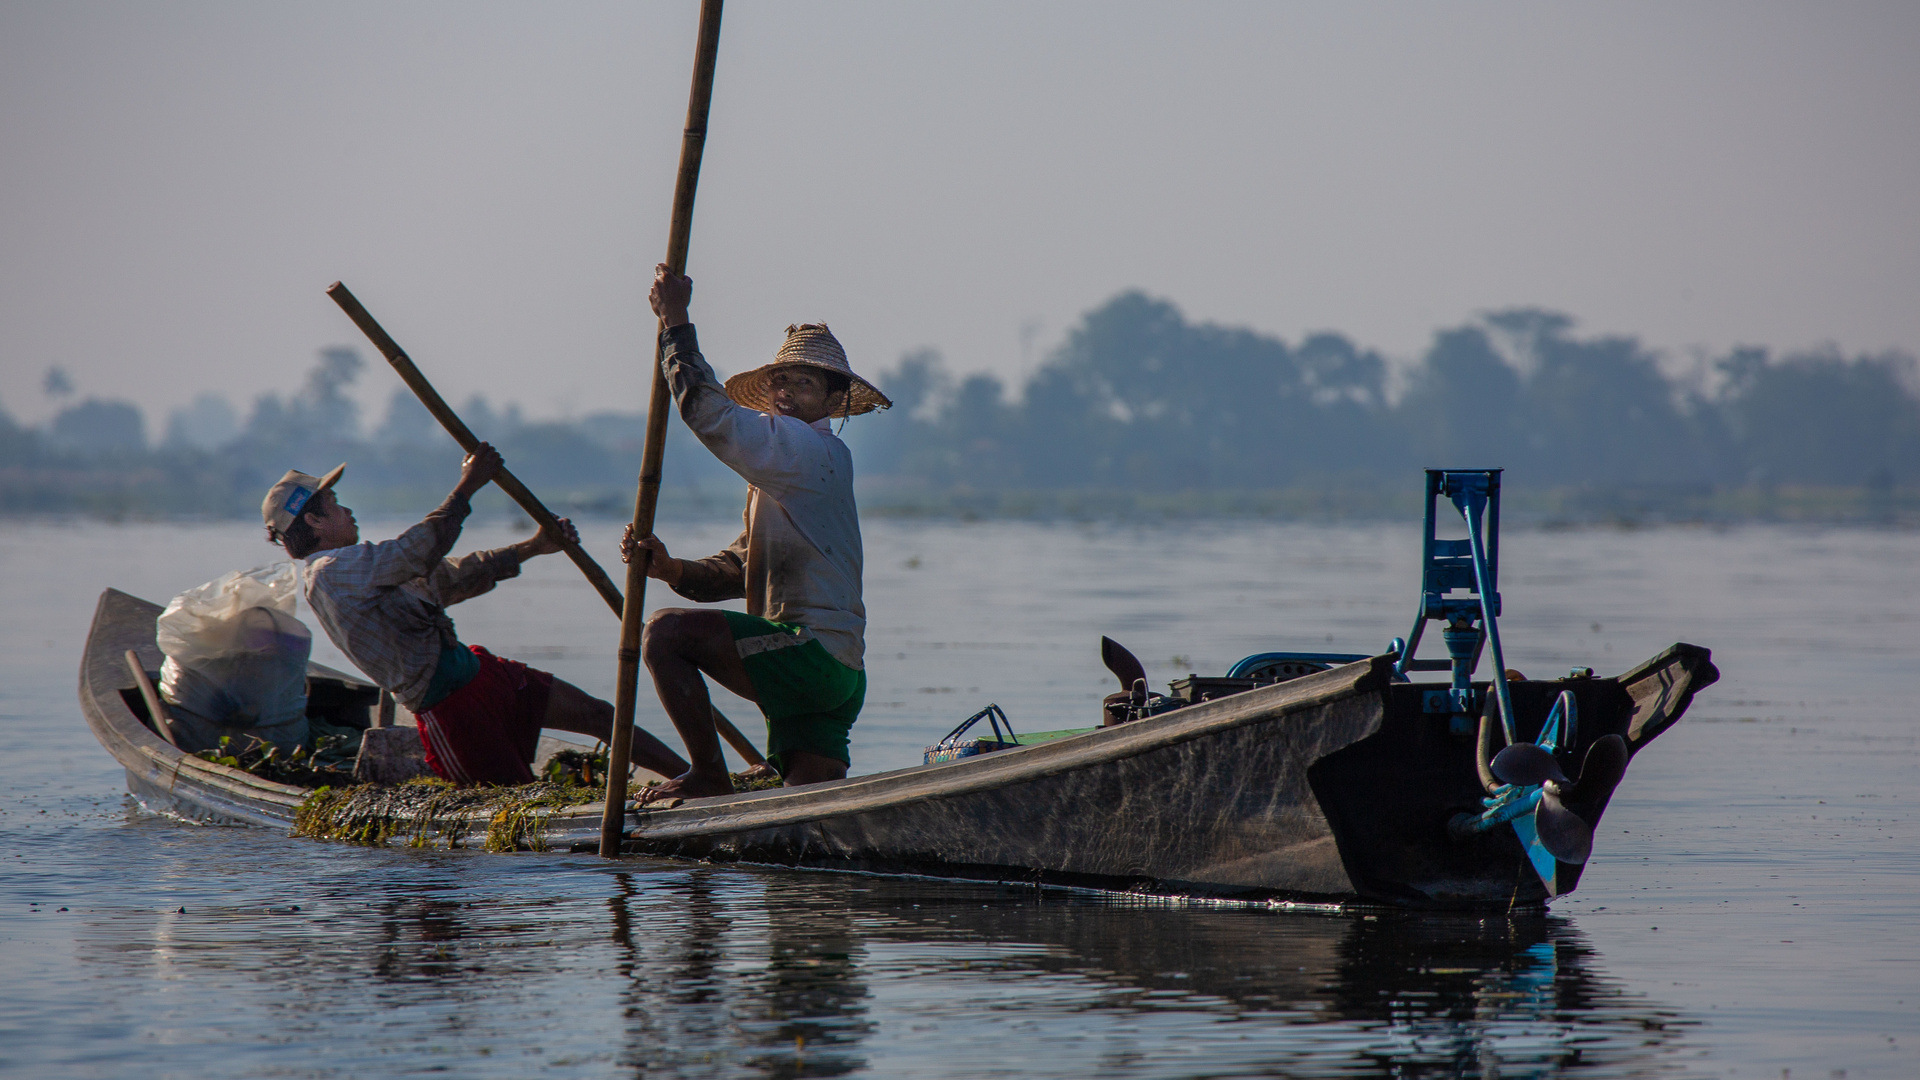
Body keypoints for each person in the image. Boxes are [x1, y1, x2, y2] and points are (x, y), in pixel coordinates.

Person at [620, 263, 889, 802]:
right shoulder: (788, 470)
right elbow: (740, 570)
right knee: (806, 812)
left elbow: (708, 415)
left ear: (832, 402)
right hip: (836, 677)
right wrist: (671, 569)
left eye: (804, 383)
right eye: (782, 381)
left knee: (663, 634)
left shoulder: (809, 451)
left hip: (808, 657)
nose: (787, 392)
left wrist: (675, 320)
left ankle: (708, 774)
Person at [262, 448, 689, 785]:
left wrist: (533, 546)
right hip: (451, 710)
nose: (347, 511)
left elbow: (448, 578)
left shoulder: (357, 564)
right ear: (315, 520)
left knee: (599, 715)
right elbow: (421, 548)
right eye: (335, 504)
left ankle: (699, 780)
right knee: (515, 802)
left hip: (480, 674)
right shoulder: (331, 573)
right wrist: (468, 486)